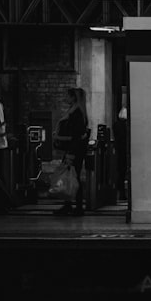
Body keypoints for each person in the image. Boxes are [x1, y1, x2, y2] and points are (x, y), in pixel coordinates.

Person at [51, 88, 89, 216]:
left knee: (73, 176)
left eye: (67, 96)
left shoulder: (76, 113)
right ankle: (70, 205)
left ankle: (77, 206)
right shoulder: (76, 111)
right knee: (71, 176)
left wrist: (70, 152)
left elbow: (76, 135)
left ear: (74, 98)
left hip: (74, 150)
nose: (65, 98)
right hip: (73, 149)